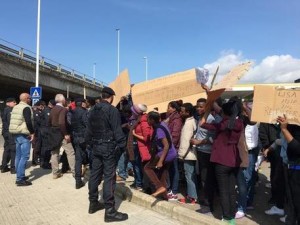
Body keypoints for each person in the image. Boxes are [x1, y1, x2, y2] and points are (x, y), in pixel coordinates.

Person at [86, 87, 128, 222]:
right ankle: (110, 211)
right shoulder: (112, 110)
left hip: (95, 146)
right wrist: (123, 146)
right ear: (111, 97)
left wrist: (89, 144)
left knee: (95, 174)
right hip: (108, 147)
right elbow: (117, 130)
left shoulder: (93, 110)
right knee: (110, 178)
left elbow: (88, 130)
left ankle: (93, 203)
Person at [201, 99, 244, 224]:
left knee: (224, 190)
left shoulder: (222, 124)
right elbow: (223, 111)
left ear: (224, 113)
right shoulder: (239, 123)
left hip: (221, 161)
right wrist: (211, 96)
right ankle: (231, 216)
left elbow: (202, 123)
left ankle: (226, 217)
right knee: (231, 190)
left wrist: (207, 110)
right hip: (233, 160)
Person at [144, 111, 177, 198]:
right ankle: (164, 197)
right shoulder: (162, 124)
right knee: (162, 175)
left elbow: (166, 145)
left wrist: (160, 161)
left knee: (147, 168)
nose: (147, 121)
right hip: (171, 153)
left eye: (148, 119)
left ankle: (159, 187)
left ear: (152, 120)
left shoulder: (159, 129)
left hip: (166, 153)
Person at [277, 115, 300, 225]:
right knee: (291, 204)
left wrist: (284, 129)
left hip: (297, 171)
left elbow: (297, 148)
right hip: (292, 168)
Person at [9, 93, 35, 186]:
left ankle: (20, 175)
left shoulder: (15, 107)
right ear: (26, 99)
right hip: (23, 134)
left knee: (18, 156)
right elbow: (28, 121)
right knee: (25, 156)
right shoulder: (26, 108)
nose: (31, 99)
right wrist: (32, 132)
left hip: (16, 133)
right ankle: (20, 179)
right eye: (30, 98)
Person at [48, 94, 74, 179]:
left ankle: (55, 173)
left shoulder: (52, 109)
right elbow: (62, 122)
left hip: (53, 133)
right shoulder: (63, 109)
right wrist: (66, 134)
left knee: (54, 153)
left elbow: (49, 122)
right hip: (62, 133)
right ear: (62, 101)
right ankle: (75, 172)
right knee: (70, 152)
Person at [128, 103, 152, 190]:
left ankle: (139, 184)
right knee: (135, 165)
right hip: (136, 145)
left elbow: (146, 137)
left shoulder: (143, 121)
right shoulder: (137, 119)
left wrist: (134, 134)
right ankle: (138, 182)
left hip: (140, 147)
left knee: (137, 165)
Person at [177, 103, 198, 204]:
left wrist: (182, 155)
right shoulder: (190, 121)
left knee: (189, 176)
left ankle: (192, 197)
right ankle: (192, 195)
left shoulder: (189, 123)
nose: (180, 113)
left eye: (182, 111)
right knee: (190, 175)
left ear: (188, 112)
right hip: (189, 154)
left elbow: (186, 140)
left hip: (188, 155)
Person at [165, 101, 183, 200]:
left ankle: (174, 190)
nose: (168, 109)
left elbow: (175, 135)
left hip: (173, 148)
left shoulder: (177, 120)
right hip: (169, 147)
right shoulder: (170, 118)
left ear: (174, 109)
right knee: (170, 170)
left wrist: (169, 146)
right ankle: (170, 188)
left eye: (169, 107)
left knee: (175, 170)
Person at [71, 98, 89, 189]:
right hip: (84, 138)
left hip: (75, 138)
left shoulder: (72, 112)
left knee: (78, 160)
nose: (86, 104)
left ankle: (78, 181)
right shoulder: (84, 112)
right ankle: (96, 178)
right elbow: (87, 125)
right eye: (85, 103)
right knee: (90, 157)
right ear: (82, 104)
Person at [1, 97, 17, 174]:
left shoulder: (4, 110)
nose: (15, 103)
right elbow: (11, 122)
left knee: (7, 149)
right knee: (13, 150)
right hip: (10, 132)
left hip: (5, 132)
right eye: (14, 102)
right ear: (8, 103)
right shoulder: (9, 110)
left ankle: (4, 167)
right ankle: (13, 168)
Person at [39, 99, 55, 169]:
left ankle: (43, 162)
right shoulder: (47, 111)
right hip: (46, 131)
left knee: (44, 147)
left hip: (45, 130)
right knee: (46, 147)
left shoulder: (47, 110)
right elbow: (48, 121)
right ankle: (45, 163)